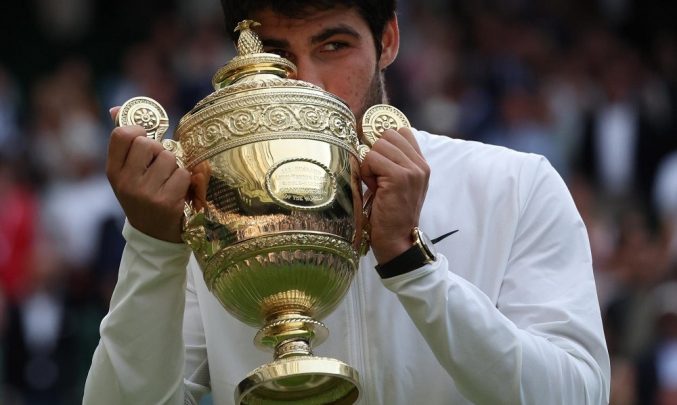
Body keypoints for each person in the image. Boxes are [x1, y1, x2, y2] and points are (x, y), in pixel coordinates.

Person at [83, 1, 611, 403]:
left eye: (333, 46)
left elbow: (578, 393)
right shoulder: (209, 208)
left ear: (388, 40)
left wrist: (413, 264)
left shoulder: (513, 184)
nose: (308, 81)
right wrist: (153, 246)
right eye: (278, 56)